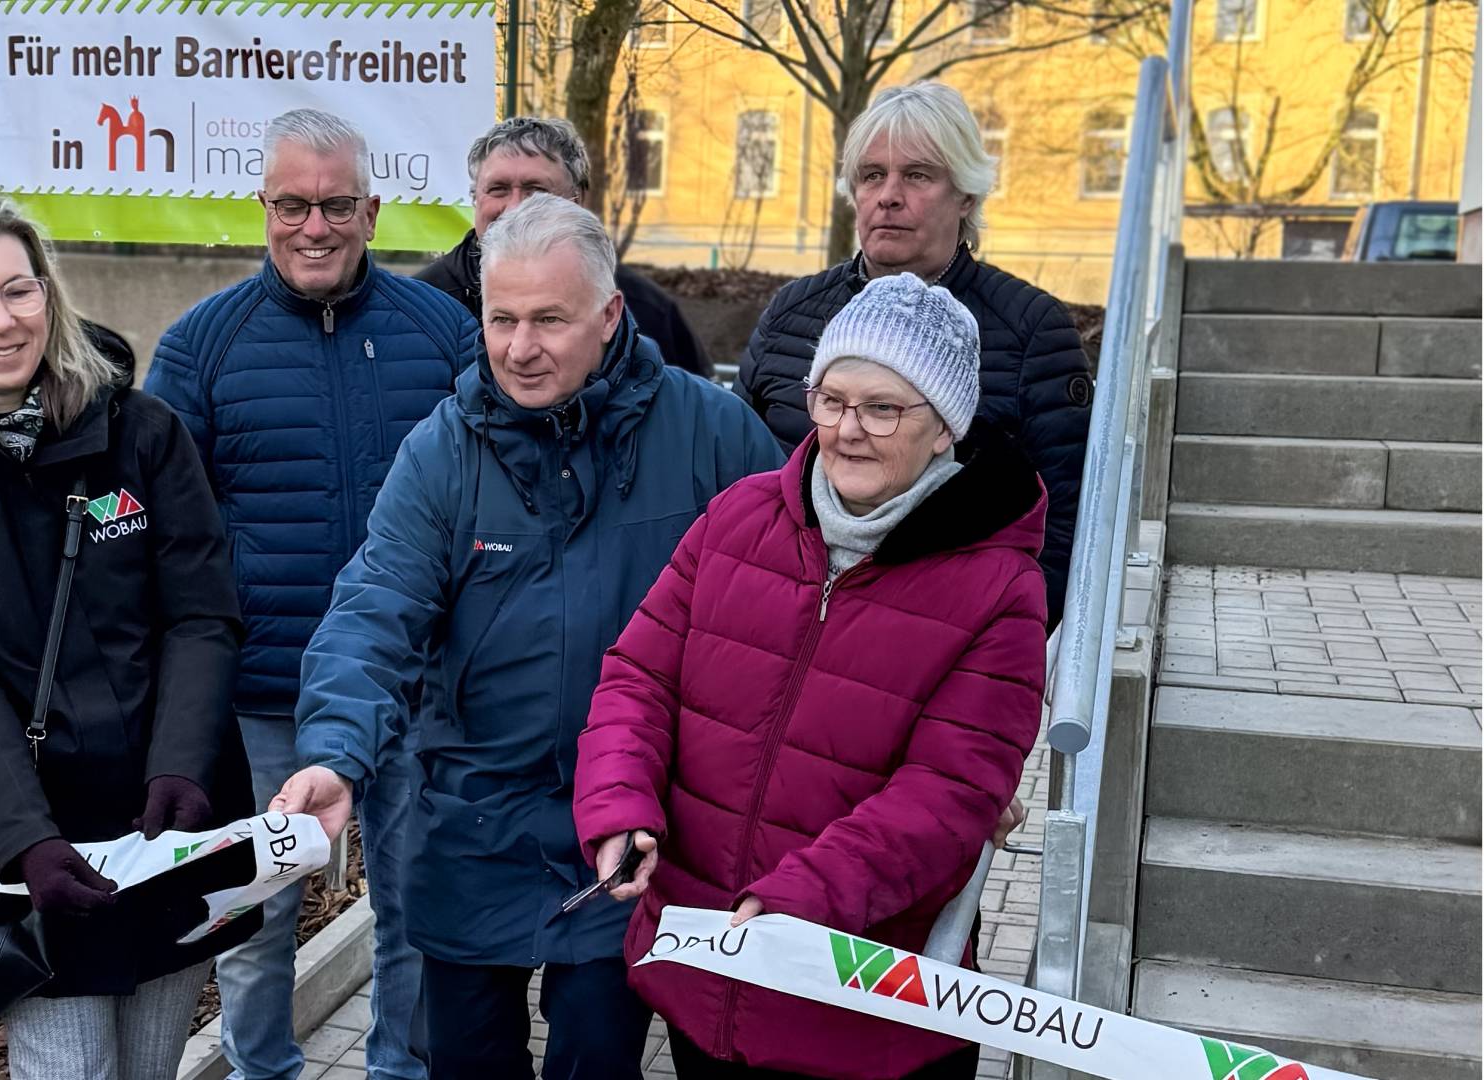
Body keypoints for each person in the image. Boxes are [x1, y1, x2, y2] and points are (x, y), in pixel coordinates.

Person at [270, 194, 784, 1078]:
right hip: (475, 817)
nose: (519, 347)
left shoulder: (712, 433)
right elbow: (374, 607)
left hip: (631, 825)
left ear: (610, 313)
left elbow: (798, 606)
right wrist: (336, 752)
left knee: (594, 1050)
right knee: (466, 1058)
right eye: (502, 319)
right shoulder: (444, 449)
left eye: (549, 319)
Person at [574, 273, 1050, 1080]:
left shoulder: (1000, 587)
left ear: (945, 431)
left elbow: (950, 793)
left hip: (863, 1015)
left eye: (882, 408)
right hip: (709, 976)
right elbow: (637, 680)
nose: (846, 430)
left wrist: (798, 902)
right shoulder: (737, 518)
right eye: (830, 400)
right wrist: (620, 809)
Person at [0, 194, 251, 1078]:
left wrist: (182, 764)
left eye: (19, 290)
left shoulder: (143, 434)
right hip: (36, 832)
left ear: (49, 296)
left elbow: (202, 612)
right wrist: (26, 841)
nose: (1, 321)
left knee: (151, 1066)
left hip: (168, 816)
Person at [143, 109, 475, 1080]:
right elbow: (164, 532)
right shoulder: (202, 346)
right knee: (256, 917)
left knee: (415, 910)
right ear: (264, 208)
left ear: (373, 211)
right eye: (293, 205)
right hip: (264, 695)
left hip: (414, 686)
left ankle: (397, 1073)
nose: (314, 226)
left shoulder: (442, 333)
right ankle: (266, 1071)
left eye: (336, 205)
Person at [736, 80, 1090, 624]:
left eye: (918, 175)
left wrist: (992, 642)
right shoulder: (790, 313)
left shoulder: (1030, 331)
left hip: (936, 635)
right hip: (772, 617)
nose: (888, 195)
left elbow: (1064, 528)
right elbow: (735, 482)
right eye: (872, 175)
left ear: (966, 193)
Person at [416, 116, 715, 379]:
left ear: (577, 200)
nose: (516, 207)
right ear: (475, 198)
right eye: (498, 189)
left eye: (536, 190)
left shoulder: (647, 311)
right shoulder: (420, 308)